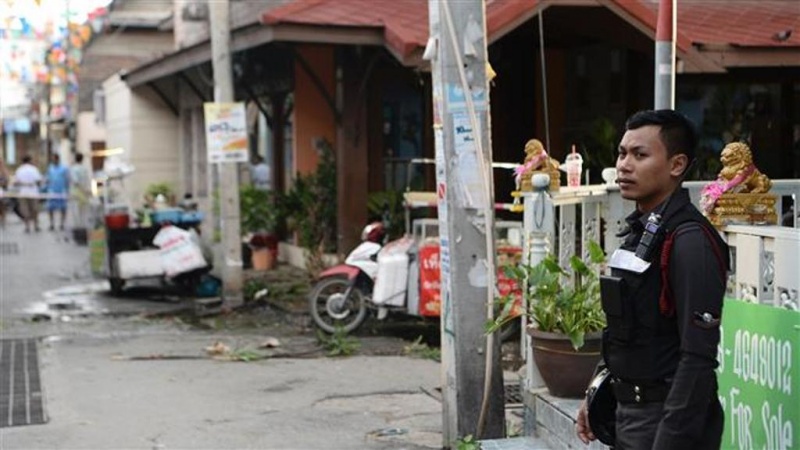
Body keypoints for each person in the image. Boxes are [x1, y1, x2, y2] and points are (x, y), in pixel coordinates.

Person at [576, 110, 729, 449]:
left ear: (677, 165)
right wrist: (597, 390)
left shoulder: (690, 241)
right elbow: (626, 331)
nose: (624, 165)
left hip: (668, 420)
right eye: (622, 153)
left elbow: (697, 358)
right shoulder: (642, 231)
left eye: (640, 155)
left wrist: (670, 438)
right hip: (628, 414)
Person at [13, 154, 43, 233]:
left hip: (23, 191)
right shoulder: (34, 169)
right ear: (30, 160)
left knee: (25, 210)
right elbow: (39, 181)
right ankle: (36, 226)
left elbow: (15, 182)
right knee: (34, 209)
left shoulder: (19, 170)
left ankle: (27, 226)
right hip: (33, 191)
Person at [45, 153, 70, 231]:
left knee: (63, 208)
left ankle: (62, 224)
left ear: (57, 159)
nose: (53, 160)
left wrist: (67, 190)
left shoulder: (64, 168)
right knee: (50, 208)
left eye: (54, 159)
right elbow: (47, 179)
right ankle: (52, 224)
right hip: (52, 191)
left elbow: (67, 180)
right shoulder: (50, 168)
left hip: (61, 191)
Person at [69, 152, 91, 231]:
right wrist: (87, 190)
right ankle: (83, 227)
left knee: (76, 212)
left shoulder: (74, 169)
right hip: (84, 193)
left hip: (76, 193)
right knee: (84, 212)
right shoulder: (85, 169)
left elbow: (75, 182)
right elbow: (87, 181)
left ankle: (78, 229)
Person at [0, 157, 9, 228]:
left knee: (2, 206)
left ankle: (3, 220)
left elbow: (6, 181)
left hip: (2, 191)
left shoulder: (4, 171)